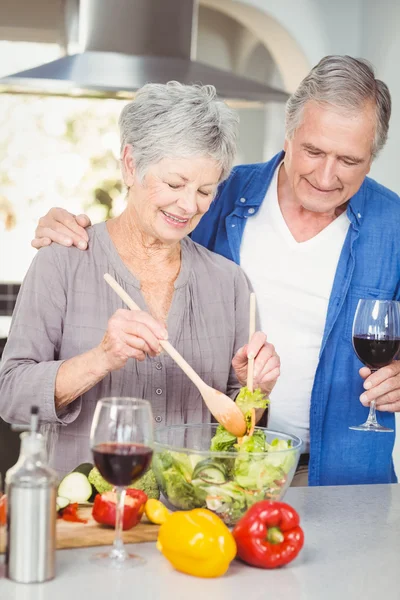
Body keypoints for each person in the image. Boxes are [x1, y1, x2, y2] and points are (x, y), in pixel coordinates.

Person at [33, 56, 400, 487]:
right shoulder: (220, 192)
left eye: (349, 161)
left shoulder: (392, 226)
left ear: (372, 159)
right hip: (222, 475)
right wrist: (69, 226)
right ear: (289, 131)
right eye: (313, 151)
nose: (325, 175)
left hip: (342, 476)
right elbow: (145, 223)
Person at [0, 82, 280, 477]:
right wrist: (102, 358)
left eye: (205, 190)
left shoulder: (230, 283)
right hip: (82, 522)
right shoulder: (61, 263)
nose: (188, 205)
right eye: (175, 183)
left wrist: (256, 391)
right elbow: (11, 394)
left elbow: (240, 430)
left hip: (190, 525)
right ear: (131, 165)